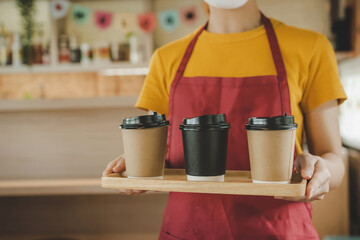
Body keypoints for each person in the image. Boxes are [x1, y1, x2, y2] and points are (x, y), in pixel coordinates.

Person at [103, 0, 347, 239]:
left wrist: (320, 170)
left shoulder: (310, 47)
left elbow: (332, 158)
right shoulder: (166, 59)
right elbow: (161, 155)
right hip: (189, 229)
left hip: (278, 229)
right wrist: (137, 165)